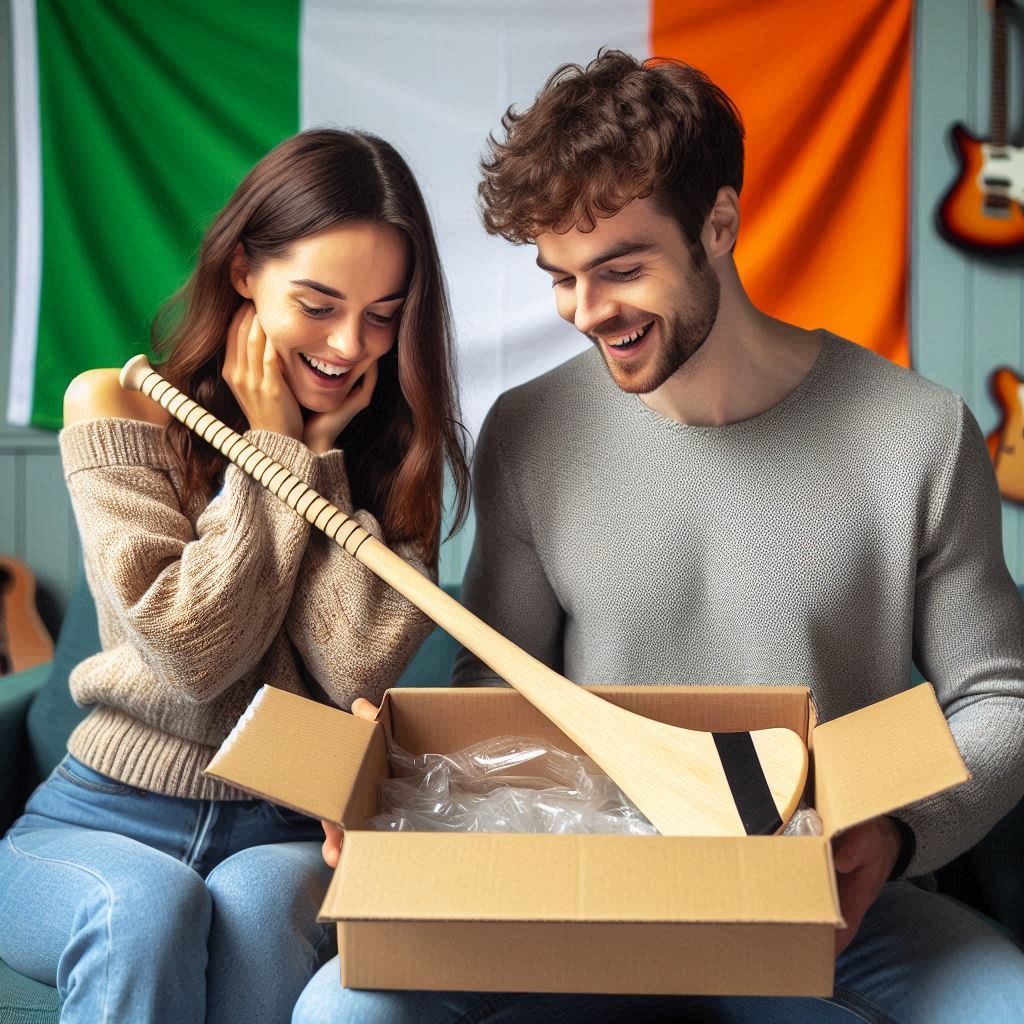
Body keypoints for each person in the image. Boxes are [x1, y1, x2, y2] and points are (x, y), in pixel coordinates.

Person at [295, 51, 1024, 1023]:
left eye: (620, 268)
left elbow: (999, 696)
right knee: (340, 1012)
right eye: (560, 278)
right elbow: (498, 698)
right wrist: (396, 806)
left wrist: (892, 828)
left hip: (829, 900)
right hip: (588, 895)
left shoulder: (915, 434)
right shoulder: (530, 430)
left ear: (717, 225)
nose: (587, 312)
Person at [0, 128, 469, 1024]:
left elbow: (356, 666)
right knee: (141, 907)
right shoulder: (116, 403)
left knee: (259, 905)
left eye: (383, 314)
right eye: (320, 303)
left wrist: (312, 464)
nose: (349, 345)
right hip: (98, 818)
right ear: (246, 271)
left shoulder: (403, 454)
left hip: (285, 828)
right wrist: (275, 451)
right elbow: (190, 650)